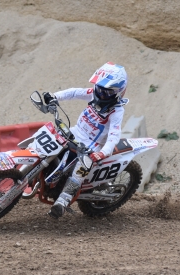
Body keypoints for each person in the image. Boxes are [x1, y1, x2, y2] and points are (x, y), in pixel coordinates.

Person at [42, 62, 129, 218]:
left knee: (82, 167)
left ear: (119, 92)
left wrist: (103, 153)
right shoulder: (94, 93)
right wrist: (55, 96)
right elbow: (75, 93)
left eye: (107, 92)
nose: (101, 94)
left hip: (92, 146)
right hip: (75, 132)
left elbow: (114, 135)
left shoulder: (116, 111)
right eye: (99, 89)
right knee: (49, 138)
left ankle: (62, 201)